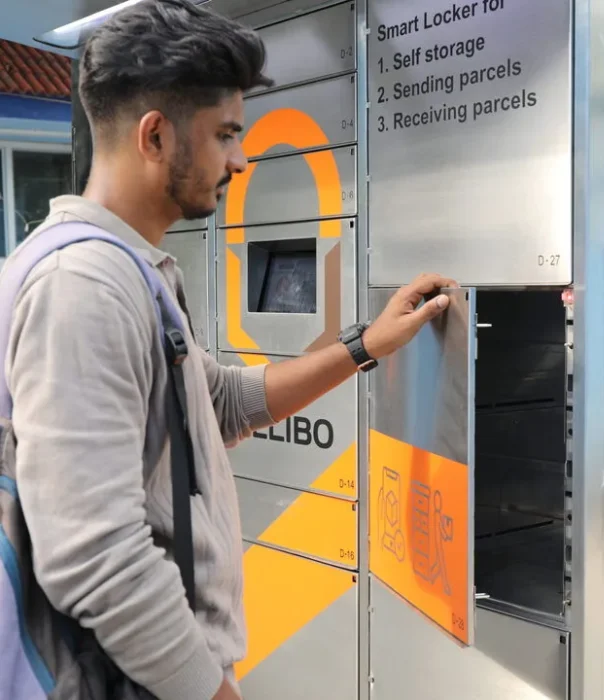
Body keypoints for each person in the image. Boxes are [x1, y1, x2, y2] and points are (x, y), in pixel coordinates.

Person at [2, 1, 455, 699]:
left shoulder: (132, 272)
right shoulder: (83, 289)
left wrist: (368, 343)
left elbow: (222, 402)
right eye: (225, 135)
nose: (241, 160)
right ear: (155, 137)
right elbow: (96, 555)